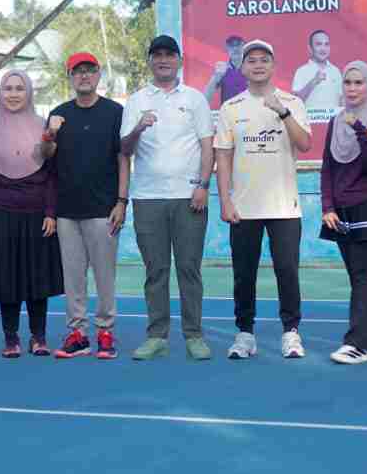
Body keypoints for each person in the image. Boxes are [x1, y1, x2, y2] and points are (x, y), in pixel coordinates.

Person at [216, 39, 312, 359]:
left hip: (284, 207)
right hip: (244, 208)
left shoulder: (292, 102)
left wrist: (282, 112)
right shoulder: (231, 108)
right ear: (242, 68)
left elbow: (305, 144)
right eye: (252, 60)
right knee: (244, 273)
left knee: (287, 271)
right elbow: (223, 157)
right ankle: (245, 334)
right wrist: (225, 201)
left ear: (273, 66)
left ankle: (291, 332)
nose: (258, 65)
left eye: (264, 60)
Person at [121, 35, 215, 360]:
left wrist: (202, 185)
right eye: (157, 55)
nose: (163, 60)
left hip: (189, 197)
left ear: (179, 60)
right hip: (147, 199)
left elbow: (207, 146)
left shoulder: (195, 99)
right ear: (149, 61)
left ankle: (194, 336)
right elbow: (124, 149)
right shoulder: (136, 101)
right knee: (155, 271)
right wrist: (137, 128)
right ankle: (157, 336)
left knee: (189, 269)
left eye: (169, 55)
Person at [0, 72, 63, 358]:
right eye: (7, 88)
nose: (13, 94)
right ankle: (11, 339)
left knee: (37, 277)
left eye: (19, 88)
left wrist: (51, 212)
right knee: (7, 277)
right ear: (0, 93)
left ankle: (38, 337)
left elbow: (52, 174)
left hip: (36, 212)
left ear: (29, 92)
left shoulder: (43, 126)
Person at [42, 52, 128, 360]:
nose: (84, 76)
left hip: (103, 210)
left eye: (89, 70)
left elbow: (123, 159)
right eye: (78, 71)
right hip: (67, 212)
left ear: (98, 74)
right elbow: (46, 157)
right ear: (70, 77)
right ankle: (77, 334)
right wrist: (50, 133)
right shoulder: (58, 113)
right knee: (73, 279)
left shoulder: (115, 112)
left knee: (105, 278)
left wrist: (121, 201)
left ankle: (105, 332)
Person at [321, 62, 367, 364]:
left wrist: (359, 129)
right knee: (358, 277)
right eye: (348, 82)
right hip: (340, 212)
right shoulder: (335, 121)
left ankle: (358, 343)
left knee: (362, 275)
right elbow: (328, 167)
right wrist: (327, 206)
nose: (352, 88)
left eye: (359, 82)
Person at [291, 29, 343, 114]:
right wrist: (314, 81)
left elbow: (341, 100)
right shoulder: (301, 71)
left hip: (333, 120)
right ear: (310, 48)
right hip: (309, 120)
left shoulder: (336, 71)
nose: (323, 49)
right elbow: (295, 102)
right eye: (319, 44)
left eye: (326, 44)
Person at [203, 35, 248, 107]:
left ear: (244, 47)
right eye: (231, 46)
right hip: (228, 112)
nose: (235, 48)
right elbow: (205, 99)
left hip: (249, 111)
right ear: (227, 49)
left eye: (239, 45)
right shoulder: (222, 70)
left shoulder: (251, 69)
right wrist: (215, 77)